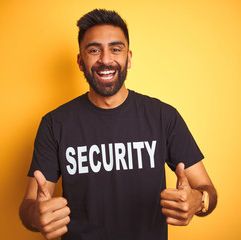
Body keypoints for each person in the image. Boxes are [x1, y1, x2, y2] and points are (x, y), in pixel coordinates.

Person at [19, 9, 217, 240]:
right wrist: (35, 214)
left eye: (115, 49)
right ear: (81, 61)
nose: (105, 59)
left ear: (128, 58)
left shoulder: (164, 117)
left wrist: (199, 201)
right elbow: (29, 205)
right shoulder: (55, 124)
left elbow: (207, 189)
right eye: (94, 50)